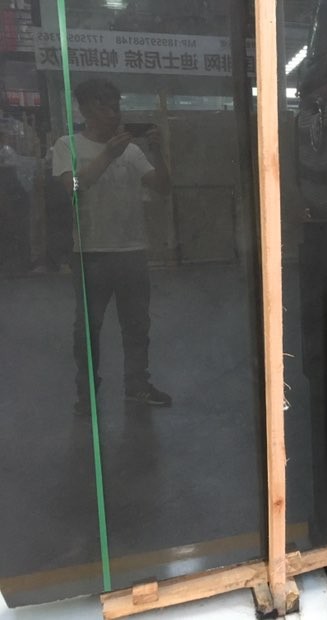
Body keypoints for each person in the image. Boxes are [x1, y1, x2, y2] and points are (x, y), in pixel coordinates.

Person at [52, 78, 172, 414]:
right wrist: (109, 153)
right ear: (84, 109)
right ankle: (87, 392)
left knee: (137, 325)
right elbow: (74, 189)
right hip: (90, 253)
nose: (112, 113)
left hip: (132, 251)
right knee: (88, 329)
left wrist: (158, 151)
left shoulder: (131, 150)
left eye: (116, 106)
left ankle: (137, 385)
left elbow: (163, 188)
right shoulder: (67, 145)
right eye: (103, 106)